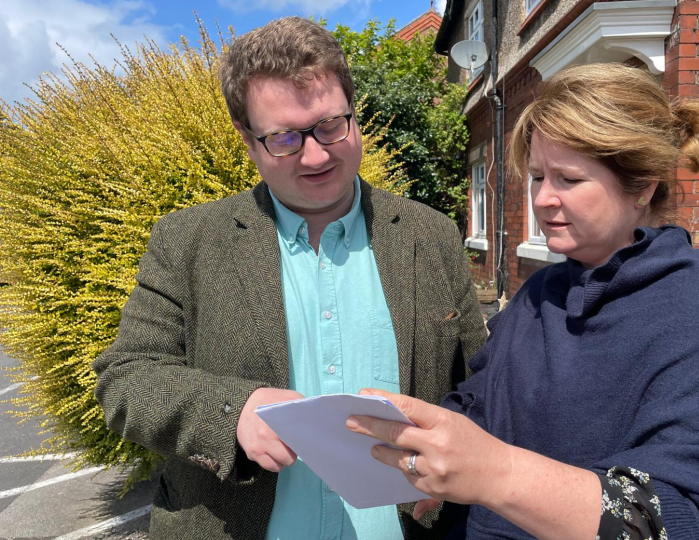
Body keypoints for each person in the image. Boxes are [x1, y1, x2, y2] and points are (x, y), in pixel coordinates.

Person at [346, 63, 699, 539]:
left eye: (568, 179)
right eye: (539, 176)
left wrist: (496, 473)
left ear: (643, 185)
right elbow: (485, 399)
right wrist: (431, 441)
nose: (542, 199)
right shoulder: (542, 293)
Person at [92, 17, 486, 540]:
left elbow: (480, 381)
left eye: (330, 126)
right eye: (284, 137)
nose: (317, 154)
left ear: (354, 113)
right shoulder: (185, 241)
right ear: (248, 140)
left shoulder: (431, 235)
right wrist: (231, 414)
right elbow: (126, 377)